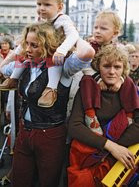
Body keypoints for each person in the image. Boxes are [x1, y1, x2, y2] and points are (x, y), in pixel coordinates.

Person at [10, 21, 94, 187]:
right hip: (24, 131)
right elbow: (0, 69)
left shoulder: (64, 68)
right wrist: (18, 51)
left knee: (47, 182)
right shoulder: (26, 63)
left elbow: (87, 52)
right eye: (26, 44)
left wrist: (70, 34)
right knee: (19, 181)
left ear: (48, 45)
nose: (28, 49)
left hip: (50, 134)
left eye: (34, 45)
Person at [0, 0, 94, 108]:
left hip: (55, 53)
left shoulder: (62, 19)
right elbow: (29, 41)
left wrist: (62, 50)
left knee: (53, 58)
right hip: (44, 53)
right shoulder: (41, 20)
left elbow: (73, 35)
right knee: (22, 56)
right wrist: (18, 52)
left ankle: (51, 88)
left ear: (59, 7)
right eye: (39, 4)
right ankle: (13, 79)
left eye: (47, 5)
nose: (42, 8)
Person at [67, 44, 139, 187]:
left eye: (117, 67)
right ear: (98, 67)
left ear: (124, 69)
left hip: (118, 161)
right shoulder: (87, 89)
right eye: (106, 66)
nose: (112, 72)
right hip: (85, 159)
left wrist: (117, 150)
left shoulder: (132, 91)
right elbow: (74, 126)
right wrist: (111, 147)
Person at [80, 11, 137, 135]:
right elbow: (85, 67)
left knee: (129, 81)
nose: (97, 31)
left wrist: (120, 79)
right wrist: (98, 79)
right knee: (86, 80)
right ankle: (90, 115)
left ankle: (129, 113)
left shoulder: (118, 48)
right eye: (96, 27)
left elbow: (125, 68)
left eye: (103, 28)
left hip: (112, 79)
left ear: (115, 33)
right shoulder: (90, 47)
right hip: (96, 81)